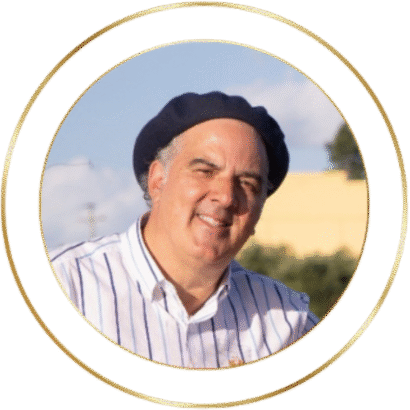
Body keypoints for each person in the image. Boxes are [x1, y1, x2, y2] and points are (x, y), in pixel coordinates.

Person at [50, 91, 319, 368]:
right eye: (205, 171)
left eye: (247, 184)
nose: (226, 196)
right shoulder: (64, 288)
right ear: (157, 180)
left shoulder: (287, 322)